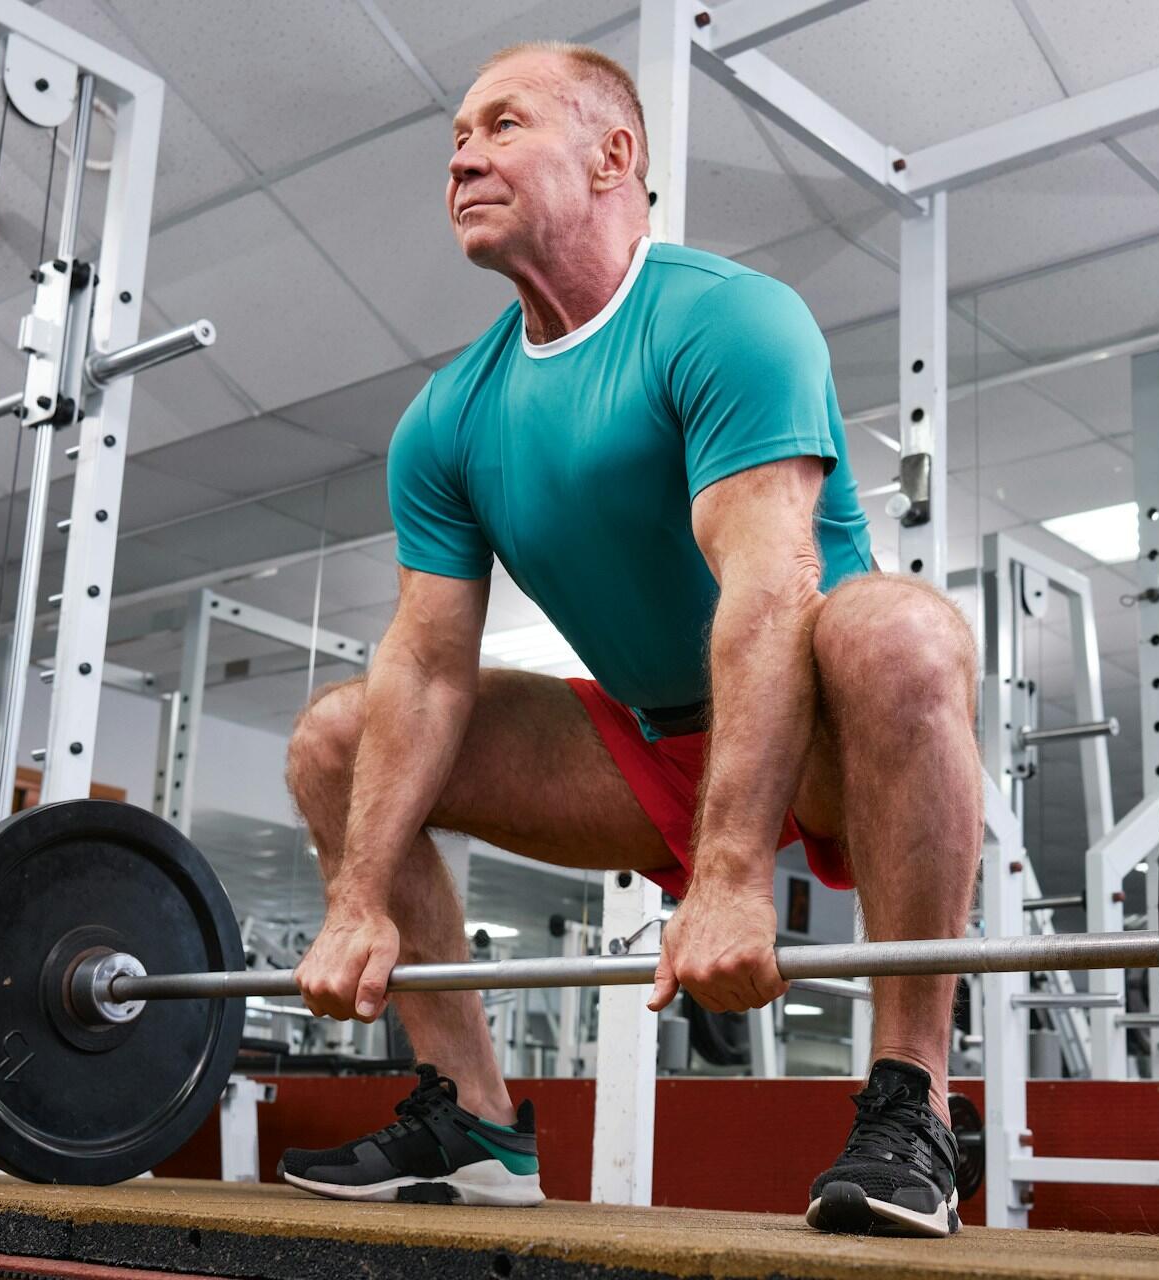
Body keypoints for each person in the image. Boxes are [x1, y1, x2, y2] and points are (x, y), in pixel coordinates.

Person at [275, 39, 981, 1238]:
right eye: (456, 139)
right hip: (644, 744)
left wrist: (733, 872)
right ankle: (474, 1120)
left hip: (823, 720)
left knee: (902, 630)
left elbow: (771, 594)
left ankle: (914, 1101)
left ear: (614, 156)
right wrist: (357, 895)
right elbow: (428, 665)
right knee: (335, 744)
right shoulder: (447, 416)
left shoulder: (726, 318)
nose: (463, 158)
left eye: (503, 124)